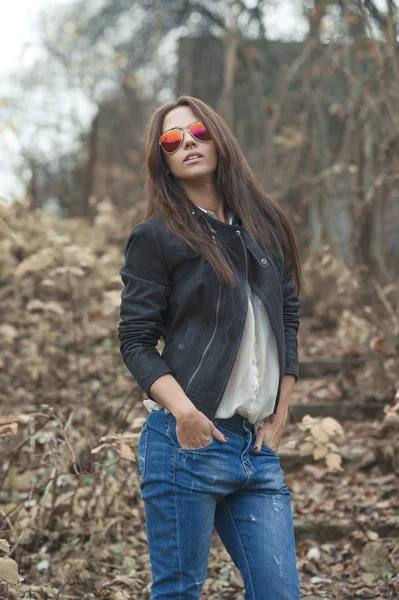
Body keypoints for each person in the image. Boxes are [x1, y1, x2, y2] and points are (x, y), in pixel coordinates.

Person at [118, 95, 303, 600]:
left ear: (219, 137)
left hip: (256, 451)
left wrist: (281, 411)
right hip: (186, 446)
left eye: (197, 132)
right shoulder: (155, 238)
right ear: (164, 159)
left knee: (280, 593)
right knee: (179, 591)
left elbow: (287, 316)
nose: (189, 144)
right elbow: (135, 339)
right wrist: (185, 413)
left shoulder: (265, 226)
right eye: (173, 140)